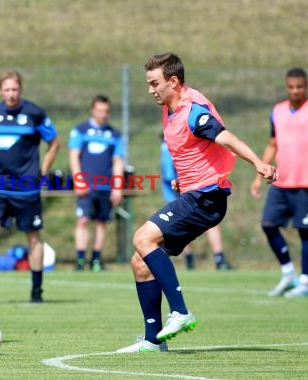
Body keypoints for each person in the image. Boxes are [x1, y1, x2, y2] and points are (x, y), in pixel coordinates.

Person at [116, 52, 277, 353]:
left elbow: (226, 137)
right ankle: (153, 341)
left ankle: (180, 311)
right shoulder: (169, 108)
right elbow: (190, 149)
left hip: (206, 198)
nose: (150, 90)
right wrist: (182, 178)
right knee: (139, 261)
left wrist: (258, 162)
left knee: (142, 237)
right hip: (194, 192)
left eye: (154, 83)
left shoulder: (194, 112)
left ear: (173, 81)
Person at [0, 70, 60, 303]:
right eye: (7, 90)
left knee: (33, 237)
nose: (11, 94)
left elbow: (54, 143)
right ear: (0, 90)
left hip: (26, 187)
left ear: (21, 90)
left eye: (15, 89)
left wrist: (43, 171)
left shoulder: (34, 113)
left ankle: (37, 290)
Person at [250, 67, 308, 298]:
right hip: (281, 181)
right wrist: (258, 175)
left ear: (305, 87)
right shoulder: (277, 111)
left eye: (300, 87)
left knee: (305, 232)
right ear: (286, 87)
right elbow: (273, 143)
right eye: (291, 87)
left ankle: (305, 281)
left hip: (305, 183)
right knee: (268, 224)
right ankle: (288, 273)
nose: (295, 91)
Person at [68, 94, 124, 272]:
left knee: (102, 222)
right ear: (93, 110)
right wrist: (79, 181)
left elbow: (117, 161)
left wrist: (117, 187)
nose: (103, 114)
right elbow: (73, 156)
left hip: (105, 186)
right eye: (100, 110)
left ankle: (96, 260)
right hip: (86, 185)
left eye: (106, 111)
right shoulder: (81, 130)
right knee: (83, 220)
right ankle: (80, 259)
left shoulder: (114, 134)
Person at [160, 136, 231, 271]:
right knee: (192, 221)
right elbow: (169, 171)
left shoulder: (184, 135)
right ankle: (203, 258)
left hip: (194, 185)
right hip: (184, 186)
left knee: (201, 221)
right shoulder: (171, 140)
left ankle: (210, 258)